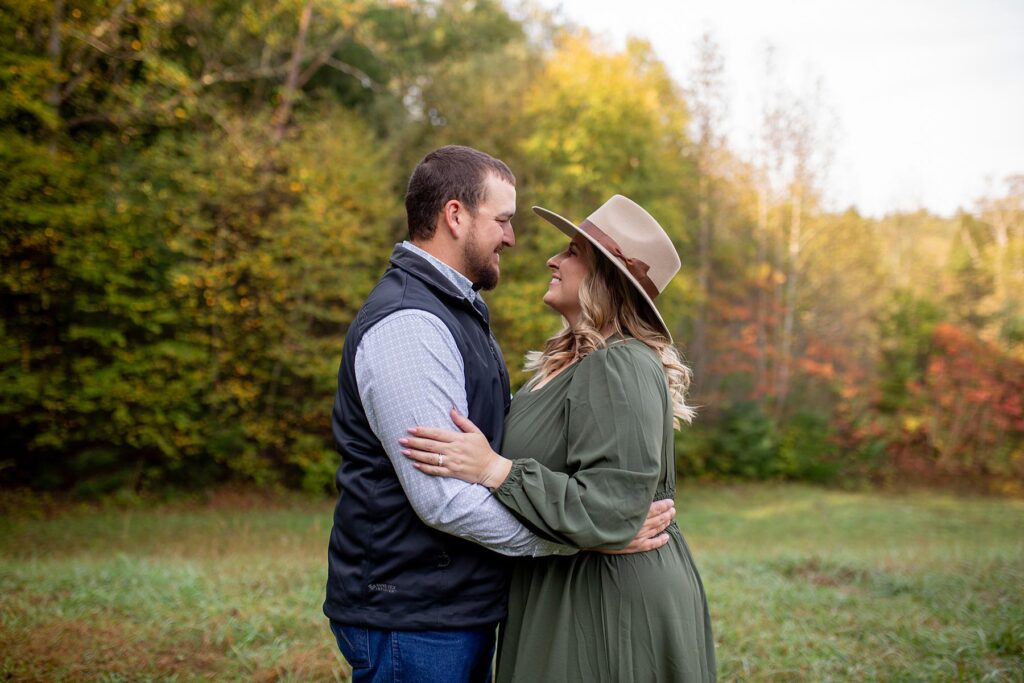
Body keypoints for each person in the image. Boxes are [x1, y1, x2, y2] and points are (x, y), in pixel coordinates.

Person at [324, 147, 675, 683]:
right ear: (456, 215)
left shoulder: (456, 310)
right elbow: (444, 501)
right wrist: (584, 536)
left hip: (450, 606)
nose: (514, 239)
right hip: (414, 614)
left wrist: (583, 520)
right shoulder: (410, 324)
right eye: (504, 220)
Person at [400, 195, 717, 682]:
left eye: (572, 252)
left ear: (605, 278)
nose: (553, 259)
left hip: (608, 597)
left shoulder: (621, 363)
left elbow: (612, 510)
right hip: (565, 581)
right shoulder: (565, 365)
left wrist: (494, 469)